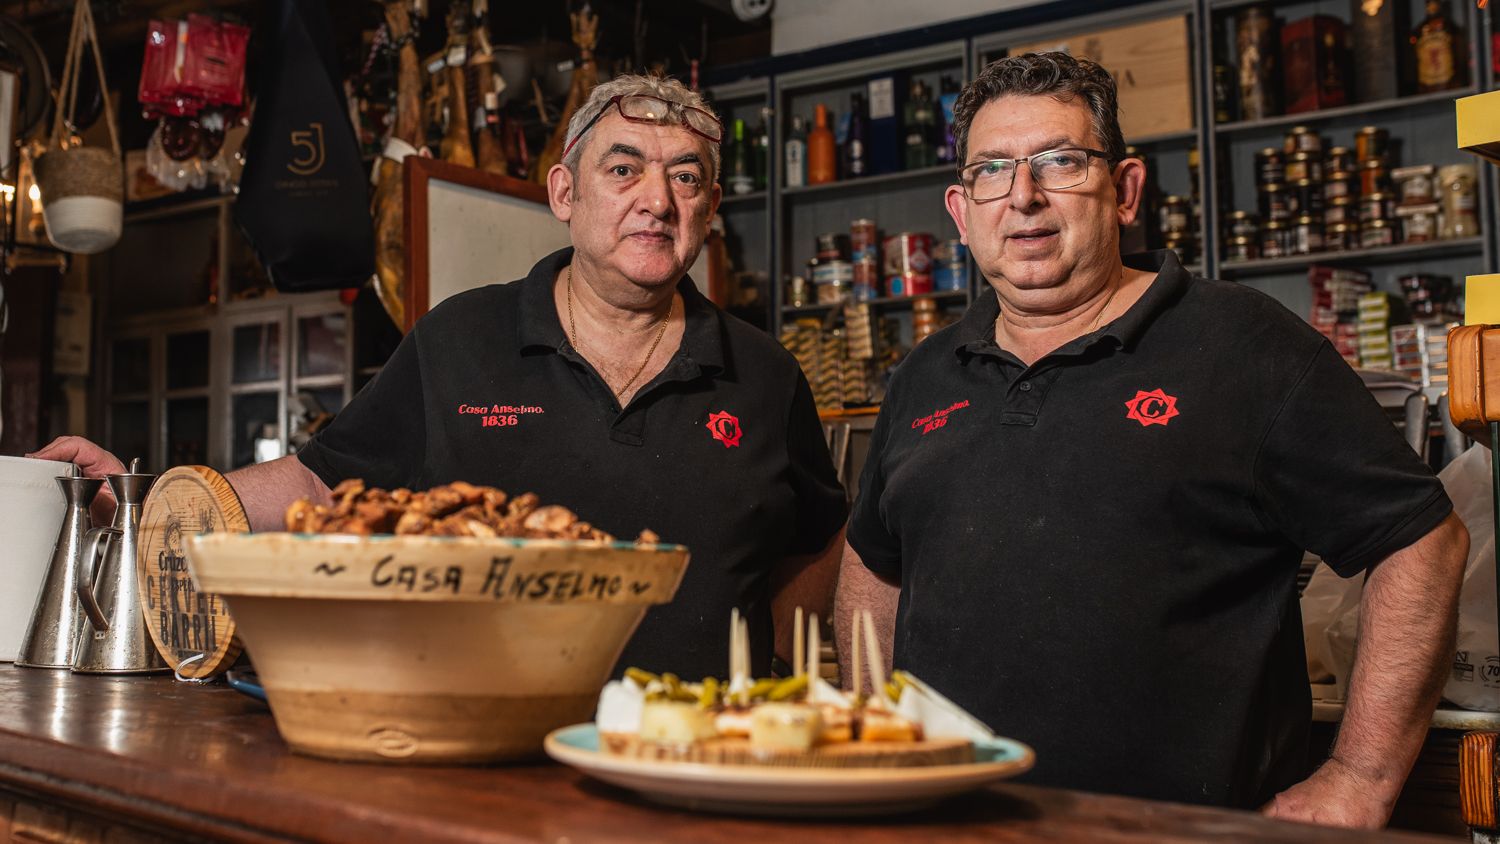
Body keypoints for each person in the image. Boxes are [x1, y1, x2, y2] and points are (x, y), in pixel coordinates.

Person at [35, 74, 848, 680]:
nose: (657, 201)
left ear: (708, 214)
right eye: (624, 169)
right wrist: (148, 501)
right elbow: (323, 481)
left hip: (695, 762)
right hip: (483, 753)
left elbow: (816, 545)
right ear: (564, 193)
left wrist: (771, 673)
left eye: (686, 178)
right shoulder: (463, 337)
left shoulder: (766, 375)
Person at [833, 53, 1468, 828]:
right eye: (993, 170)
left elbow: (1421, 543)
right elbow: (873, 563)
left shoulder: (1243, 345)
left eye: (1059, 162)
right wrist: (871, 745)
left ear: (1126, 189)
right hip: (946, 821)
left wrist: (1361, 776)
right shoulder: (924, 375)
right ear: (962, 212)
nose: (1023, 197)